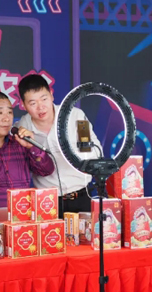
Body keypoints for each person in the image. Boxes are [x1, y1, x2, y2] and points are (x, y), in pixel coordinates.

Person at [15, 74, 102, 216]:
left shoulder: (75, 116)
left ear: (51, 95)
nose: (41, 107)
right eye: (33, 103)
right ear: (23, 105)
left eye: (44, 99)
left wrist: (75, 155)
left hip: (82, 195)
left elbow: (95, 152)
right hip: (47, 202)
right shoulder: (22, 127)